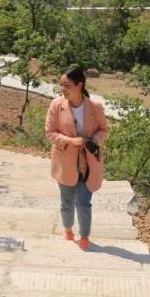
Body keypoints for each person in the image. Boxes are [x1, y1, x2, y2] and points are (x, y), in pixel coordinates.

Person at [44, 64, 109, 250]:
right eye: (61, 85)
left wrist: (94, 140)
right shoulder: (56, 106)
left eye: (67, 85)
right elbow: (49, 132)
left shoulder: (95, 106)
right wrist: (69, 141)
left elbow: (104, 129)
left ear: (79, 85)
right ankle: (68, 229)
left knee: (83, 203)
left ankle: (85, 236)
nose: (63, 89)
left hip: (88, 164)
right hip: (65, 162)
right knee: (67, 202)